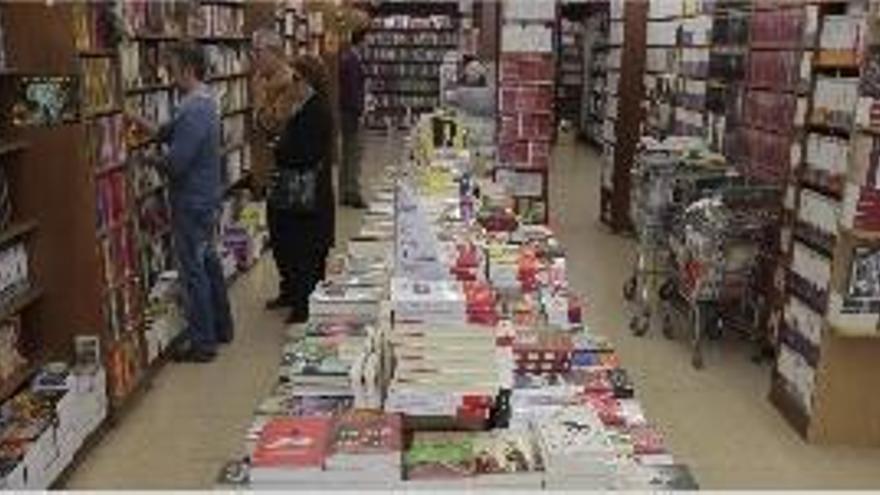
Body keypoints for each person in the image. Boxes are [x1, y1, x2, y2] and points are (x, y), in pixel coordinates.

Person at [127, 42, 233, 363]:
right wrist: (133, 117)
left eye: (172, 69)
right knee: (209, 262)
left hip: (192, 201)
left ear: (188, 68)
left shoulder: (192, 109)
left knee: (193, 270)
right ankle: (222, 326)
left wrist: (146, 160)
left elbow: (176, 163)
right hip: (206, 197)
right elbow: (165, 132)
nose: (169, 76)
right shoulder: (202, 103)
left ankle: (203, 343)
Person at [251, 31, 336, 319]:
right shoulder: (304, 106)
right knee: (286, 241)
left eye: (298, 80)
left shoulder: (317, 110)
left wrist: (280, 147)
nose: (293, 85)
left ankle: (304, 305)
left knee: (304, 249)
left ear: (310, 82)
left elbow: (304, 151)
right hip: (294, 187)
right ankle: (293, 295)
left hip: (306, 191)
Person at [338, 28, 367, 209]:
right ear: (361, 41)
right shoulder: (352, 60)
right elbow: (353, 89)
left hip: (347, 111)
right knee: (354, 152)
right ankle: (352, 192)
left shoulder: (347, 58)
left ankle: (345, 191)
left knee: (348, 153)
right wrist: (360, 111)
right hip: (352, 112)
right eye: (367, 40)